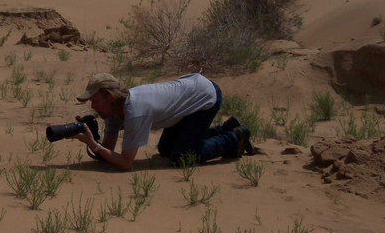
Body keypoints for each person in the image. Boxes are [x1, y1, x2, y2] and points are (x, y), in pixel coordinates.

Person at [72, 72, 253, 171]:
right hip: (191, 91)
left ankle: (234, 138)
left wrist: (94, 146)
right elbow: (108, 151)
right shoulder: (114, 110)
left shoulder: (135, 112)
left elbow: (126, 163)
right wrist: (92, 138)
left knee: (181, 157)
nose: (92, 106)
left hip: (204, 98)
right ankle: (223, 129)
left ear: (110, 97)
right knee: (165, 149)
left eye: (95, 101)